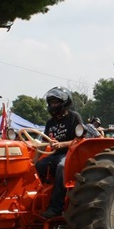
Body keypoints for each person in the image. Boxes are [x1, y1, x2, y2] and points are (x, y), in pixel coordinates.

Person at [36, 87, 84, 219]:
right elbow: (44, 142)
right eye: (51, 103)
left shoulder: (74, 117)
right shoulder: (50, 122)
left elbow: (79, 140)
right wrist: (34, 160)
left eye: (56, 102)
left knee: (62, 166)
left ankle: (56, 207)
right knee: (38, 167)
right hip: (55, 155)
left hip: (71, 154)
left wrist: (61, 144)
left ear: (65, 103)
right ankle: (37, 200)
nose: (53, 105)